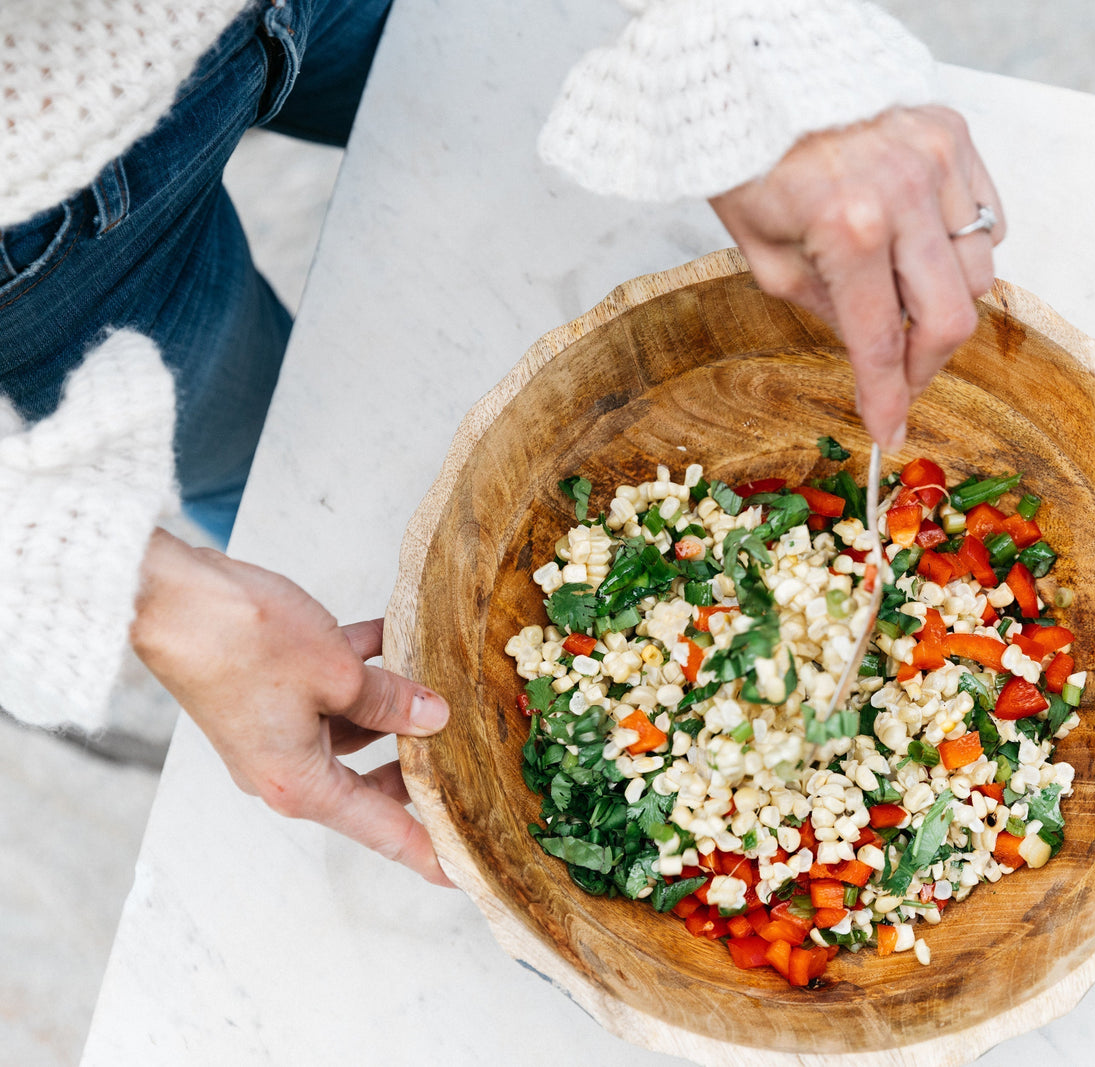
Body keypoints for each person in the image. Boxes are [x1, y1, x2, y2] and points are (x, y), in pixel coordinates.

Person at [0, 0, 1005, 885]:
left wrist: (752, 35)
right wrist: (138, 586)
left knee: (520, 202)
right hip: (35, 218)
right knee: (268, 470)